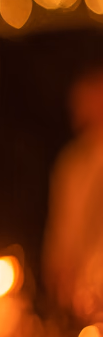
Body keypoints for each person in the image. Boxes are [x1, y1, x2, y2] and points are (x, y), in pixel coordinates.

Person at [44, 65, 103, 318]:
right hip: (78, 297)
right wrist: (57, 271)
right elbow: (61, 228)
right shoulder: (71, 164)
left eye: (89, 100)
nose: (80, 111)